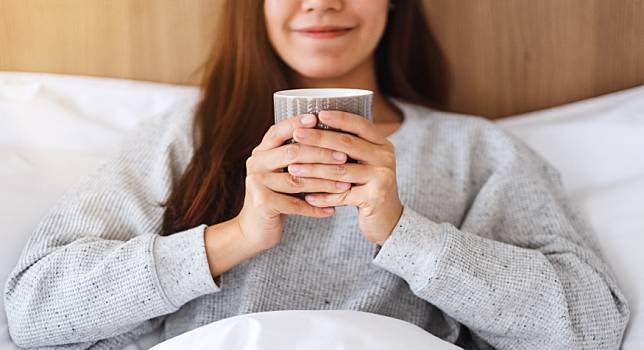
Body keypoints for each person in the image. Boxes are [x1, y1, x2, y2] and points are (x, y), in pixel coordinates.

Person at [3, 0, 630, 349]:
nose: (322, 1)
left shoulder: (478, 152)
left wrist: (405, 233)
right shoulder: (184, 138)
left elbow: (590, 326)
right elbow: (32, 312)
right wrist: (237, 236)